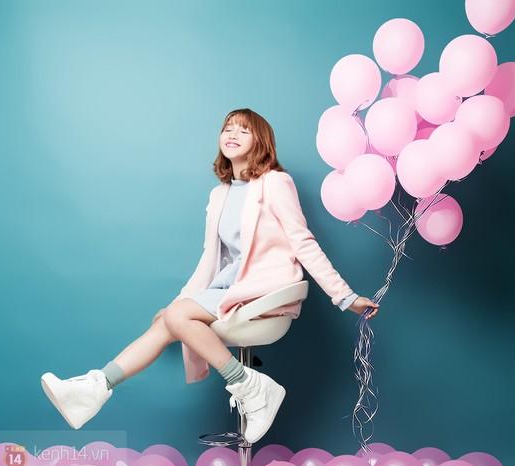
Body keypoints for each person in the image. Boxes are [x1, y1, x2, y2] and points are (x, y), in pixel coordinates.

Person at [40, 108, 379, 444]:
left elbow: (302, 241)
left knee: (175, 317)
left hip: (263, 289)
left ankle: (250, 386)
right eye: (227, 128)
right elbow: (210, 259)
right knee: (168, 320)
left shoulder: (275, 183)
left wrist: (344, 296)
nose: (232, 134)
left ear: (260, 141)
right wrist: (179, 302)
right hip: (227, 289)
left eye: (243, 130)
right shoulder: (220, 194)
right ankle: (94, 388)